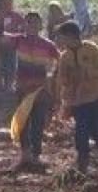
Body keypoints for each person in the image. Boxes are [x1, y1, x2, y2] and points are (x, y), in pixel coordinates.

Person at [5, 12, 60, 173]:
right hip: (22, 88)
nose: (32, 26)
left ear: (40, 26)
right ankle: (25, 154)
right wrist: (4, 17)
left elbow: (61, 60)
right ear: (25, 25)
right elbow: (0, 36)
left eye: (35, 23)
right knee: (23, 121)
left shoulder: (48, 44)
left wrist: (54, 79)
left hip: (40, 90)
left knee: (38, 122)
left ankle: (36, 155)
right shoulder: (18, 40)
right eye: (29, 23)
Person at [56, 21, 98, 175]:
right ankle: (83, 162)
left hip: (95, 98)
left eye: (62, 37)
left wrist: (87, 73)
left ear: (71, 36)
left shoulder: (91, 49)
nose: (60, 41)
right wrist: (69, 80)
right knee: (81, 131)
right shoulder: (64, 57)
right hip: (78, 101)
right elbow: (61, 79)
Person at [0, 0, 25, 91]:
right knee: (1, 65)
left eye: (10, 4)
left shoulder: (15, 16)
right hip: (0, 46)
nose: (8, 6)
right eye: (5, 4)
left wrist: (18, 35)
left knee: (12, 66)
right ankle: (0, 84)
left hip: (12, 46)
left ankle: (9, 85)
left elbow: (23, 26)